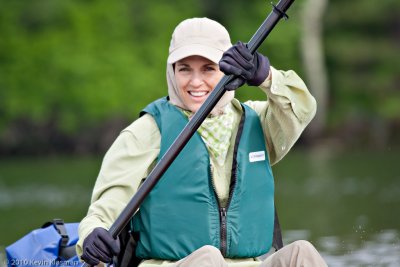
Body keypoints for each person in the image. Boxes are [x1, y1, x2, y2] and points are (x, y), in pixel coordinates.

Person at [76, 17, 328, 267]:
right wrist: (92, 235)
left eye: (208, 68)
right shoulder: (146, 132)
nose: (195, 82)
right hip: (172, 264)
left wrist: (265, 76)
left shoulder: (258, 121)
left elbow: (303, 110)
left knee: (301, 253)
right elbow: (102, 211)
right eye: (184, 68)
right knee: (207, 259)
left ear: (228, 69)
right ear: (172, 71)